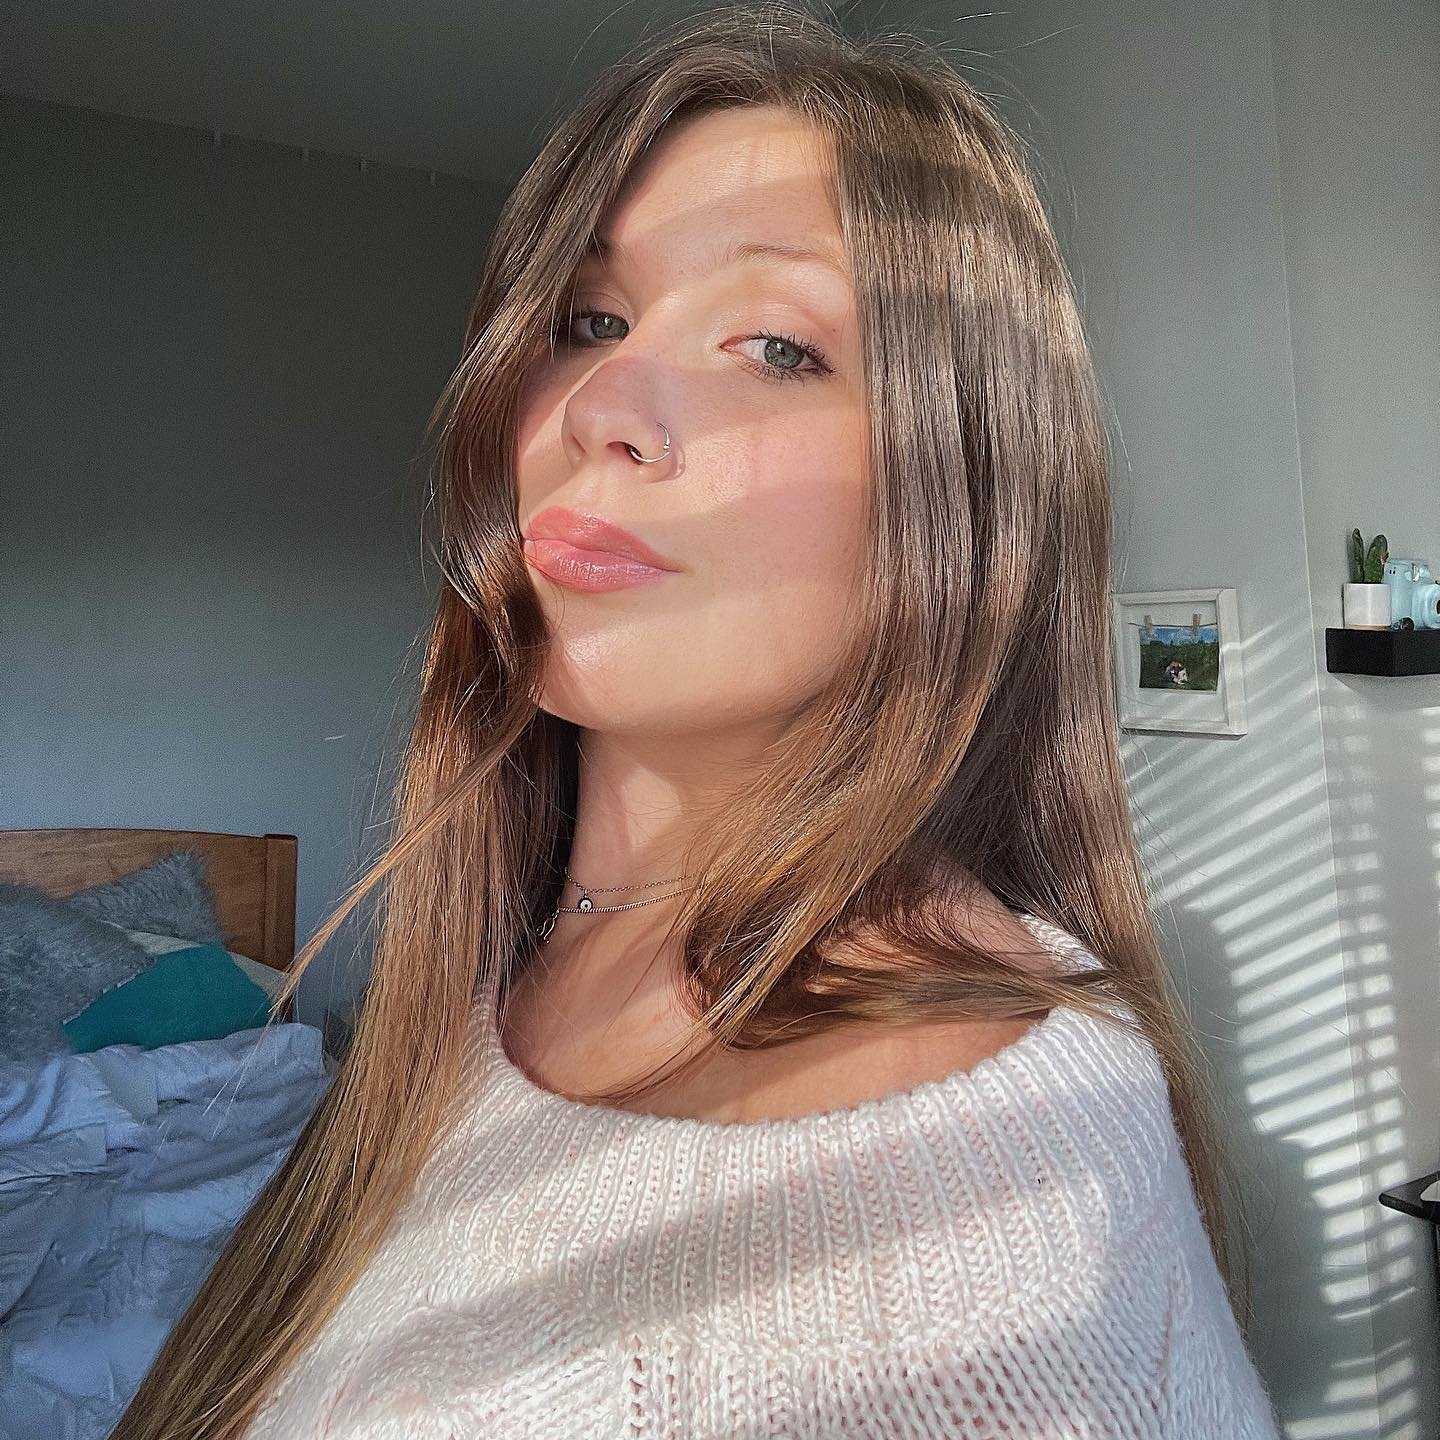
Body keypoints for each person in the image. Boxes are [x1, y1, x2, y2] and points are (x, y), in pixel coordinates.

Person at [113, 4, 1283, 1436]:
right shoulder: (498, 967)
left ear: (966, 489)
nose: (600, 402)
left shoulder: (979, 1226)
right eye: (588, 322)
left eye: (776, 345)